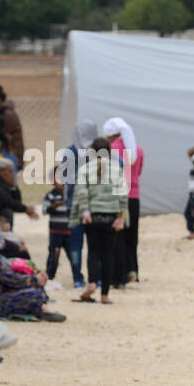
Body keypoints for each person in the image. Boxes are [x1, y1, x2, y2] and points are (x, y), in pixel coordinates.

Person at [0, 216, 63, 321]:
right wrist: (34, 279)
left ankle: (43, 310)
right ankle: (43, 311)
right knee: (34, 293)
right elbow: (9, 278)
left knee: (34, 288)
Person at [72, 136, 127, 304]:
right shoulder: (116, 169)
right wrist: (121, 217)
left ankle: (92, 283)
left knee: (93, 252)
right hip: (111, 216)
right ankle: (105, 295)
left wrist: (85, 211)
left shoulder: (85, 169)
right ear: (109, 152)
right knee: (108, 254)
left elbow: (81, 193)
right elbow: (123, 195)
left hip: (93, 216)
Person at [102, 117, 143, 285]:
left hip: (117, 197)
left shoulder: (111, 151)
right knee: (132, 236)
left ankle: (119, 275)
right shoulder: (138, 150)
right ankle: (133, 270)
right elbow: (138, 172)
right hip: (134, 196)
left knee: (118, 237)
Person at [58, 120, 97, 288]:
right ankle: (96, 277)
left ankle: (77, 279)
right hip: (95, 205)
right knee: (95, 243)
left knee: (75, 244)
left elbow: (66, 180)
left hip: (73, 205)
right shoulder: (98, 152)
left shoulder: (69, 152)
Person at [43, 179, 72, 282]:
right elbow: (44, 210)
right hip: (55, 231)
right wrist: (53, 207)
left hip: (69, 231)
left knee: (72, 255)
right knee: (53, 256)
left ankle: (77, 277)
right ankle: (49, 277)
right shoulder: (50, 195)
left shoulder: (70, 194)